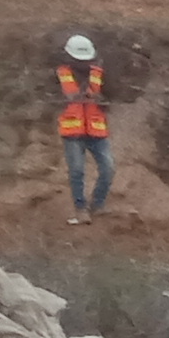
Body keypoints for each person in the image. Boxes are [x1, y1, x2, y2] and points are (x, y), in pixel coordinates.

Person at [55, 35, 111, 224]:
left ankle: (98, 204)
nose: (84, 64)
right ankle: (80, 208)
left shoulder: (98, 73)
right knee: (77, 171)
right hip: (73, 130)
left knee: (108, 169)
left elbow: (112, 97)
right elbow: (49, 99)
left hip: (96, 130)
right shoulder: (60, 74)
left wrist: (100, 100)